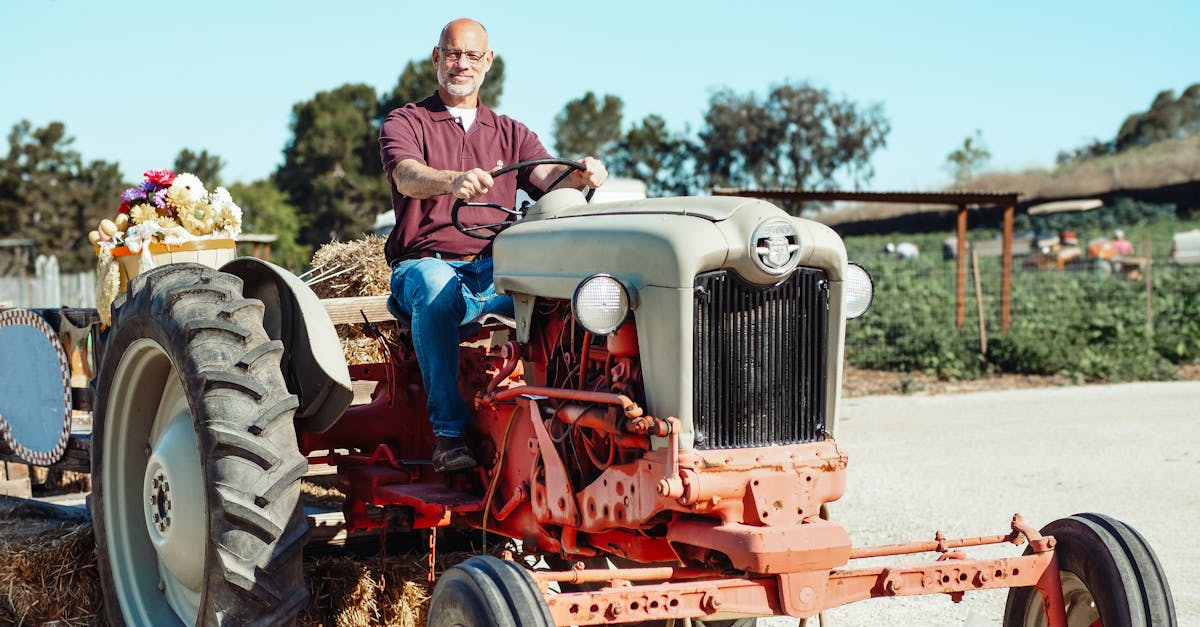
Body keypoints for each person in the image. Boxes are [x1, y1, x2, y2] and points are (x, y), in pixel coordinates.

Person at [378, 18, 607, 472]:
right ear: (436, 58)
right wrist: (452, 181)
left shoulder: (510, 132)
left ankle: (572, 419)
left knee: (575, 291)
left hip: (493, 270)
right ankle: (448, 434)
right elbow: (406, 175)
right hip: (424, 264)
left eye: (472, 55)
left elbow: (547, 180)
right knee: (434, 283)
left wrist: (582, 175)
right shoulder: (407, 121)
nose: (461, 64)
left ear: (489, 62)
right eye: (452, 54)